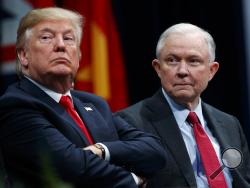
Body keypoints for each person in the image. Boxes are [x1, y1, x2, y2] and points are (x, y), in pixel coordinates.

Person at [0, 7, 167, 188]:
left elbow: (154, 151)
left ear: (78, 57)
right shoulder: (16, 104)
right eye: (46, 37)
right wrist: (132, 180)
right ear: (24, 56)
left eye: (68, 38)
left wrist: (102, 150)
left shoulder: (95, 104)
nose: (61, 45)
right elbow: (70, 166)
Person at [117, 23, 250, 188]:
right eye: (172, 60)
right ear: (158, 68)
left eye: (193, 61)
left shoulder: (230, 124)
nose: (182, 71)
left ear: (212, 71)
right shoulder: (129, 122)